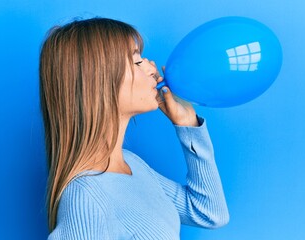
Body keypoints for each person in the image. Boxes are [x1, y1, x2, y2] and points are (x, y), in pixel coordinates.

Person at [39, 17, 229, 240]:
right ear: (98, 81)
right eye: (137, 61)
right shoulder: (86, 196)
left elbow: (210, 213)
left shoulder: (133, 165)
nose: (151, 67)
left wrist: (188, 125)